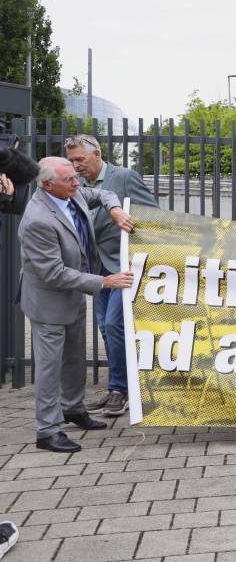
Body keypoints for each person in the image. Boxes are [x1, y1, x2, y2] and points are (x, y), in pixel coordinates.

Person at [18, 157, 134, 453]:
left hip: (73, 292)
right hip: (48, 300)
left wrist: (115, 208)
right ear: (47, 185)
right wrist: (103, 282)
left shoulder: (72, 193)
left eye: (74, 177)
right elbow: (53, 273)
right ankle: (47, 430)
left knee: (74, 356)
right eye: (68, 179)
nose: (77, 183)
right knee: (48, 366)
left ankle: (73, 409)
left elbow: (104, 193)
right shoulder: (37, 221)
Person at [65, 135, 158, 418]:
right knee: (106, 328)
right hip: (97, 269)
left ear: (97, 154)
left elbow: (151, 215)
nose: (75, 166)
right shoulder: (76, 185)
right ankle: (121, 387)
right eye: (71, 161)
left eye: (79, 159)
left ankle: (122, 390)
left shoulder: (125, 177)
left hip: (124, 266)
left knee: (114, 323)